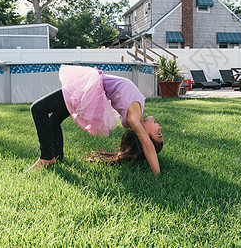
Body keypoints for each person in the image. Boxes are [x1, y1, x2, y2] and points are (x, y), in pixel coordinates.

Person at [28, 65, 163, 175]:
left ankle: (46, 157)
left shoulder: (133, 118)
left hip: (90, 89)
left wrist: (157, 174)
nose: (160, 128)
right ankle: (56, 157)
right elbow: (147, 145)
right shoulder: (138, 112)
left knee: (38, 109)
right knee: (54, 120)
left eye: (158, 134)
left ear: (145, 136)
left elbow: (148, 146)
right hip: (93, 87)